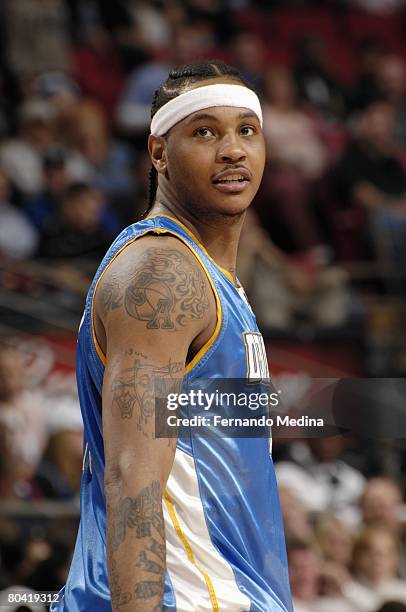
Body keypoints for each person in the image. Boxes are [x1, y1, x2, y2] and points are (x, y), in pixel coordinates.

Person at [52, 60, 292, 611]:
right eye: (205, 131)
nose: (232, 149)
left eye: (246, 130)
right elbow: (131, 478)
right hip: (184, 598)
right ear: (159, 153)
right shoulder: (162, 274)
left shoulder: (207, 278)